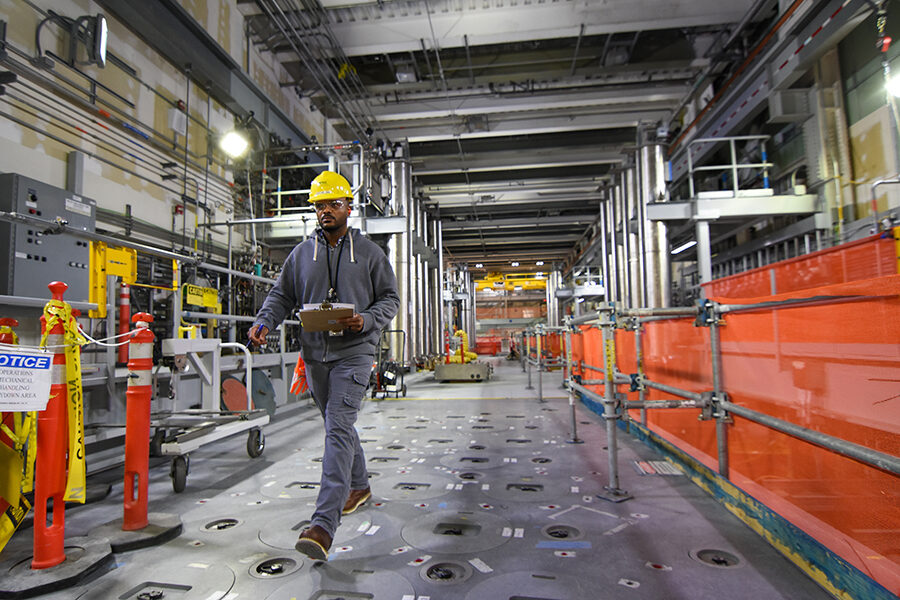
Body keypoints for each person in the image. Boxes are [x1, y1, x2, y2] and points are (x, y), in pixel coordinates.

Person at [249, 170, 400, 561]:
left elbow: (390, 299)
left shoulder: (369, 254)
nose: (325, 211)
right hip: (315, 355)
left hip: (355, 353)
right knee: (339, 424)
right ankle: (360, 485)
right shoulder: (301, 255)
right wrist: (265, 321)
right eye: (319, 205)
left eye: (333, 204)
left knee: (336, 429)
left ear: (349, 207)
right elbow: (282, 295)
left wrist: (365, 321)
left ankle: (323, 525)